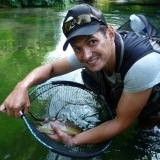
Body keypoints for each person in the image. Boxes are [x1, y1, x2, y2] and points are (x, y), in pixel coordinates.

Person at [0, 4, 160, 146]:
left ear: (110, 34)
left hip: (152, 99)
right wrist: (21, 86)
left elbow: (121, 122)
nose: (86, 56)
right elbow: (51, 68)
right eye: (77, 48)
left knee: (144, 135)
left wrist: (74, 140)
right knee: (90, 73)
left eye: (92, 41)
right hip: (126, 83)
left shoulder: (141, 65)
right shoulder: (92, 52)